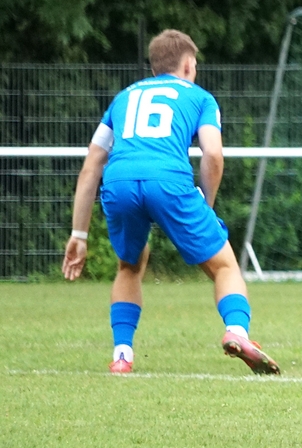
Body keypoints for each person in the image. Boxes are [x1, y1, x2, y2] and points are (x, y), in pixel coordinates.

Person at [62, 29, 280, 375]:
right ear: (189, 64)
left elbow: (92, 165)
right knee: (224, 266)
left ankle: (122, 355)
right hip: (168, 179)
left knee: (130, 266)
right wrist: (206, 205)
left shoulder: (123, 97)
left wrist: (79, 234)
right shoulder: (200, 98)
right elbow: (213, 154)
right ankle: (237, 332)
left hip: (119, 180)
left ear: (154, 68)